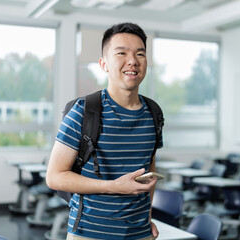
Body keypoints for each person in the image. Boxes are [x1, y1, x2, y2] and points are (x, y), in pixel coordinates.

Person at [46, 22, 163, 240]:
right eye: (121, 53)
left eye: (140, 54)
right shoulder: (84, 111)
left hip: (141, 234)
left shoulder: (153, 113)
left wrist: (147, 216)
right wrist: (113, 186)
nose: (132, 61)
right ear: (104, 64)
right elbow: (54, 177)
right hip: (89, 233)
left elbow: (149, 167)